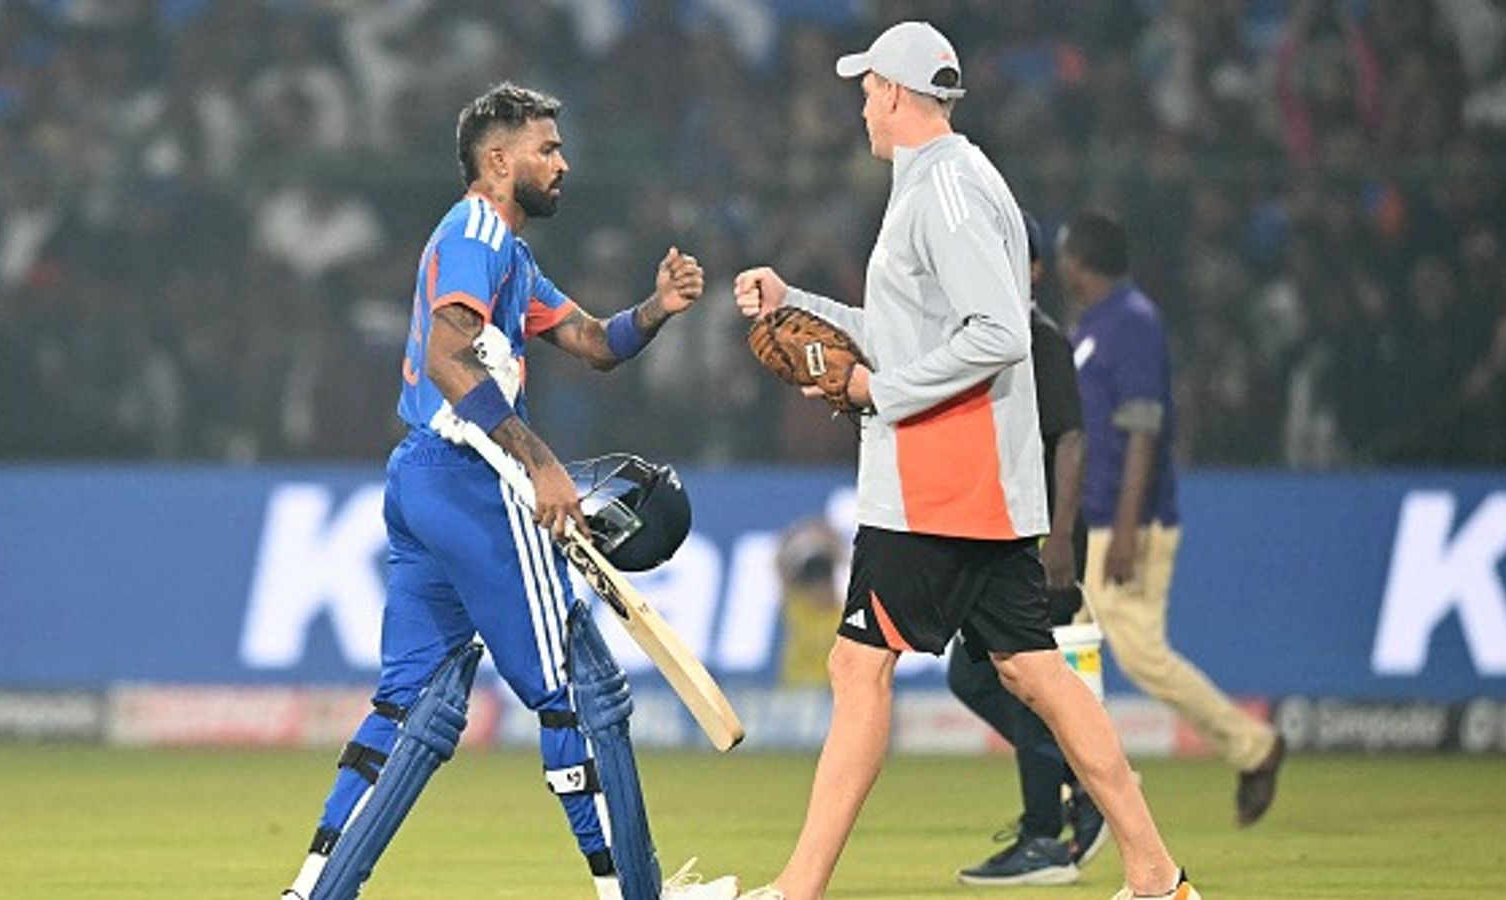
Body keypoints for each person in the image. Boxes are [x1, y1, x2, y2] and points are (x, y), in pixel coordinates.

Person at [731, 22, 1199, 900]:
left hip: (938, 483)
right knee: (1035, 672)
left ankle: (797, 891)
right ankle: (1155, 872)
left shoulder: (944, 190)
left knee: (858, 666)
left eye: (869, 88)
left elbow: (998, 332)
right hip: (966, 480)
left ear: (900, 95)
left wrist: (879, 393)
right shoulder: (944, 183)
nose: (862, 103)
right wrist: (798, 300)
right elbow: (913, 336)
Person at [280, 82, 737, 900]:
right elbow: (452, 360)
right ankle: (637, 894)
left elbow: (593, 342)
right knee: (580, 690)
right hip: (476, 483)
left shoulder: (506, 252)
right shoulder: (477, 234)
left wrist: (658, 309)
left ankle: (316, 890)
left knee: (414, 705)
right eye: (546, 149)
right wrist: (537, 463)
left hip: (421, 478)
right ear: (498, 160)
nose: (562, 164)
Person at [1057, 210, 1286, 827]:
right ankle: (1084, 785)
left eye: (1065, 256)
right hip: (1091, 522)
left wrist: (1128, 526)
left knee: (1141, 656)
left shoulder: (1132, 323)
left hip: (1127, 524)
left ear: (1081, 261)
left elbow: (1142, 430)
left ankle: (1255, 747)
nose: (1060, 267)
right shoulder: (1094, 326)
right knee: (1062, 650)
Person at [946, 211, 1105, 886]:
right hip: (1001, 535)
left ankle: (1045, 835)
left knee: (1024, 680)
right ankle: (1085, 783)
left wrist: (1060, 540)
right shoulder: (988, 339)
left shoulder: (1040, 341)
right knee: (977, 674)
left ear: (1035, 270)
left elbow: (1069, 439)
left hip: (1041, 540)